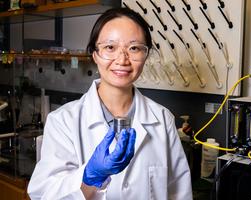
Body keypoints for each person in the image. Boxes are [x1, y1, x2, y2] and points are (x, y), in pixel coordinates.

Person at [27, 7, 192, 200]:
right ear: (95, 54)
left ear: (145, 56)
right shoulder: (63, 122)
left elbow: (179, 193)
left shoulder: (163, 119)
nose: (122, 59)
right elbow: (43, 195)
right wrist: (90, 177)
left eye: (134, 48)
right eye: (110, 47)